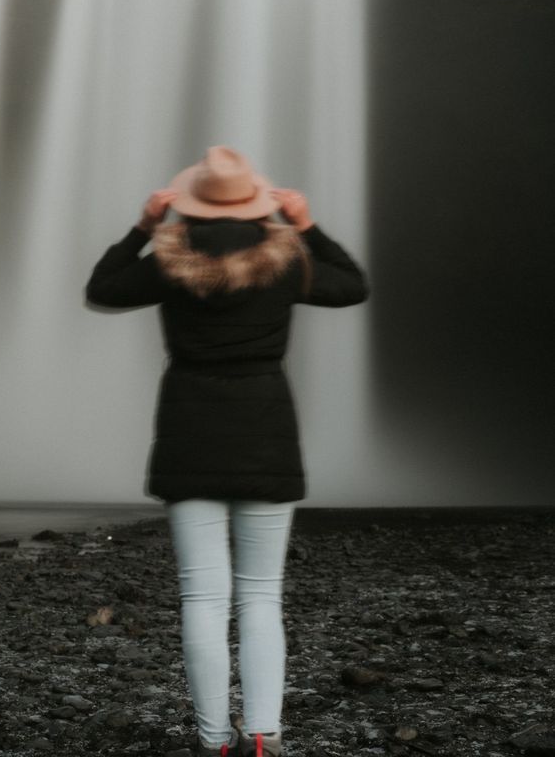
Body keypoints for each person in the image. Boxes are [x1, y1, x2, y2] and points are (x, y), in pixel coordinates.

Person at [85, 146, 369, 757]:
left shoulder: (167, 260)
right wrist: (307, 225)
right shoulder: (288, 259)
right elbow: (353, 286)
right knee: (262, 595)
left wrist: (143, 225)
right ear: (257, 200)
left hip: (188, 430)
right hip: (267, 431)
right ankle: (263, 738)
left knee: (203, 598)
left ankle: (214, 741)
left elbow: (101, 289)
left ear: (188, 203)